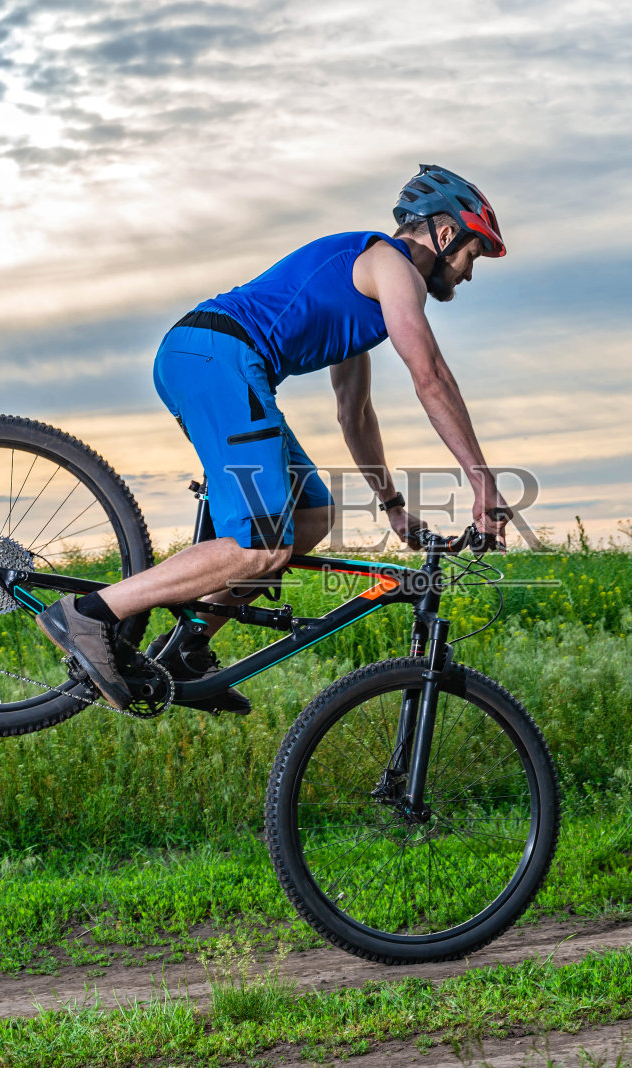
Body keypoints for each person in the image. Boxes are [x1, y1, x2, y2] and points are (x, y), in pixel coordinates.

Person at [36, 164, 512, 713]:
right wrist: (483, 483)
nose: (469, 274)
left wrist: (394, 507)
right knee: (263, 547)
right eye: (473, 256)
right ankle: (89, 614)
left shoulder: (367, 293)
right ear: (446, 233)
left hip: (221, 361)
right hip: (218, 357)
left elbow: (353, 414)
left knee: (312, 517)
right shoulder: (390, 265)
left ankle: (186, 650)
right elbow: (430, 375)